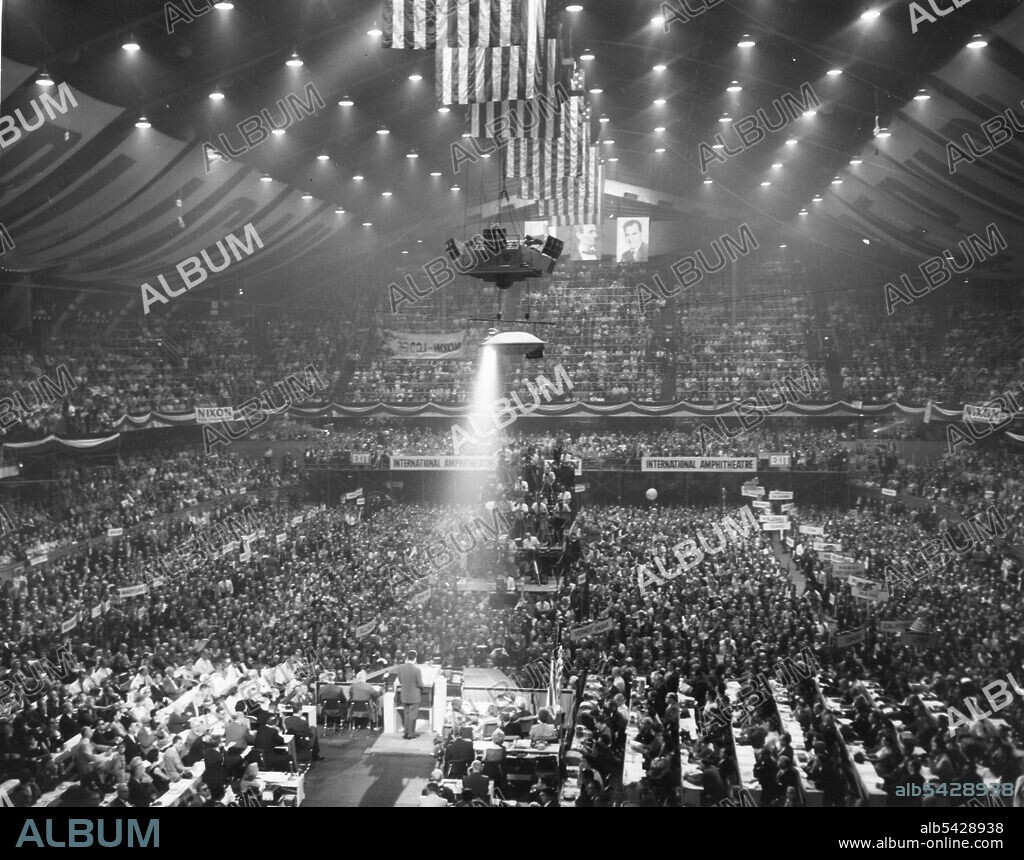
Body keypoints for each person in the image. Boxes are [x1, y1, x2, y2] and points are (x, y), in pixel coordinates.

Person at [395, 651, 424, 740]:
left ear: (407, 658)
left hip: (405, 695)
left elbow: (400, 681)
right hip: (414, 696)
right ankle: (411, 734)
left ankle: (406, 732)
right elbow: (420, 684)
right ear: (415, 659)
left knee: (406, 714)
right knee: (413, 715)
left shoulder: (400, 668)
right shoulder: (417, 670)